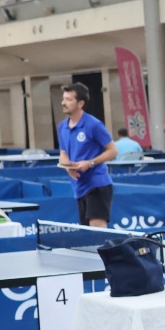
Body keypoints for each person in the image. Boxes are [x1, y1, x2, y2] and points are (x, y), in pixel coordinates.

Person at [55, 83, 117, 228]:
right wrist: (68, 167)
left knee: (97, 229)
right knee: (87, 233)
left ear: (80, 103)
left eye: (68, 99)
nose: (63, 103)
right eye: (63, 99)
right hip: (79, 186)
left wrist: (90, 163)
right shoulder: (62, 127)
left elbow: (113, 150)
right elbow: (63, 153)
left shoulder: (93, 125)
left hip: (97, 184)